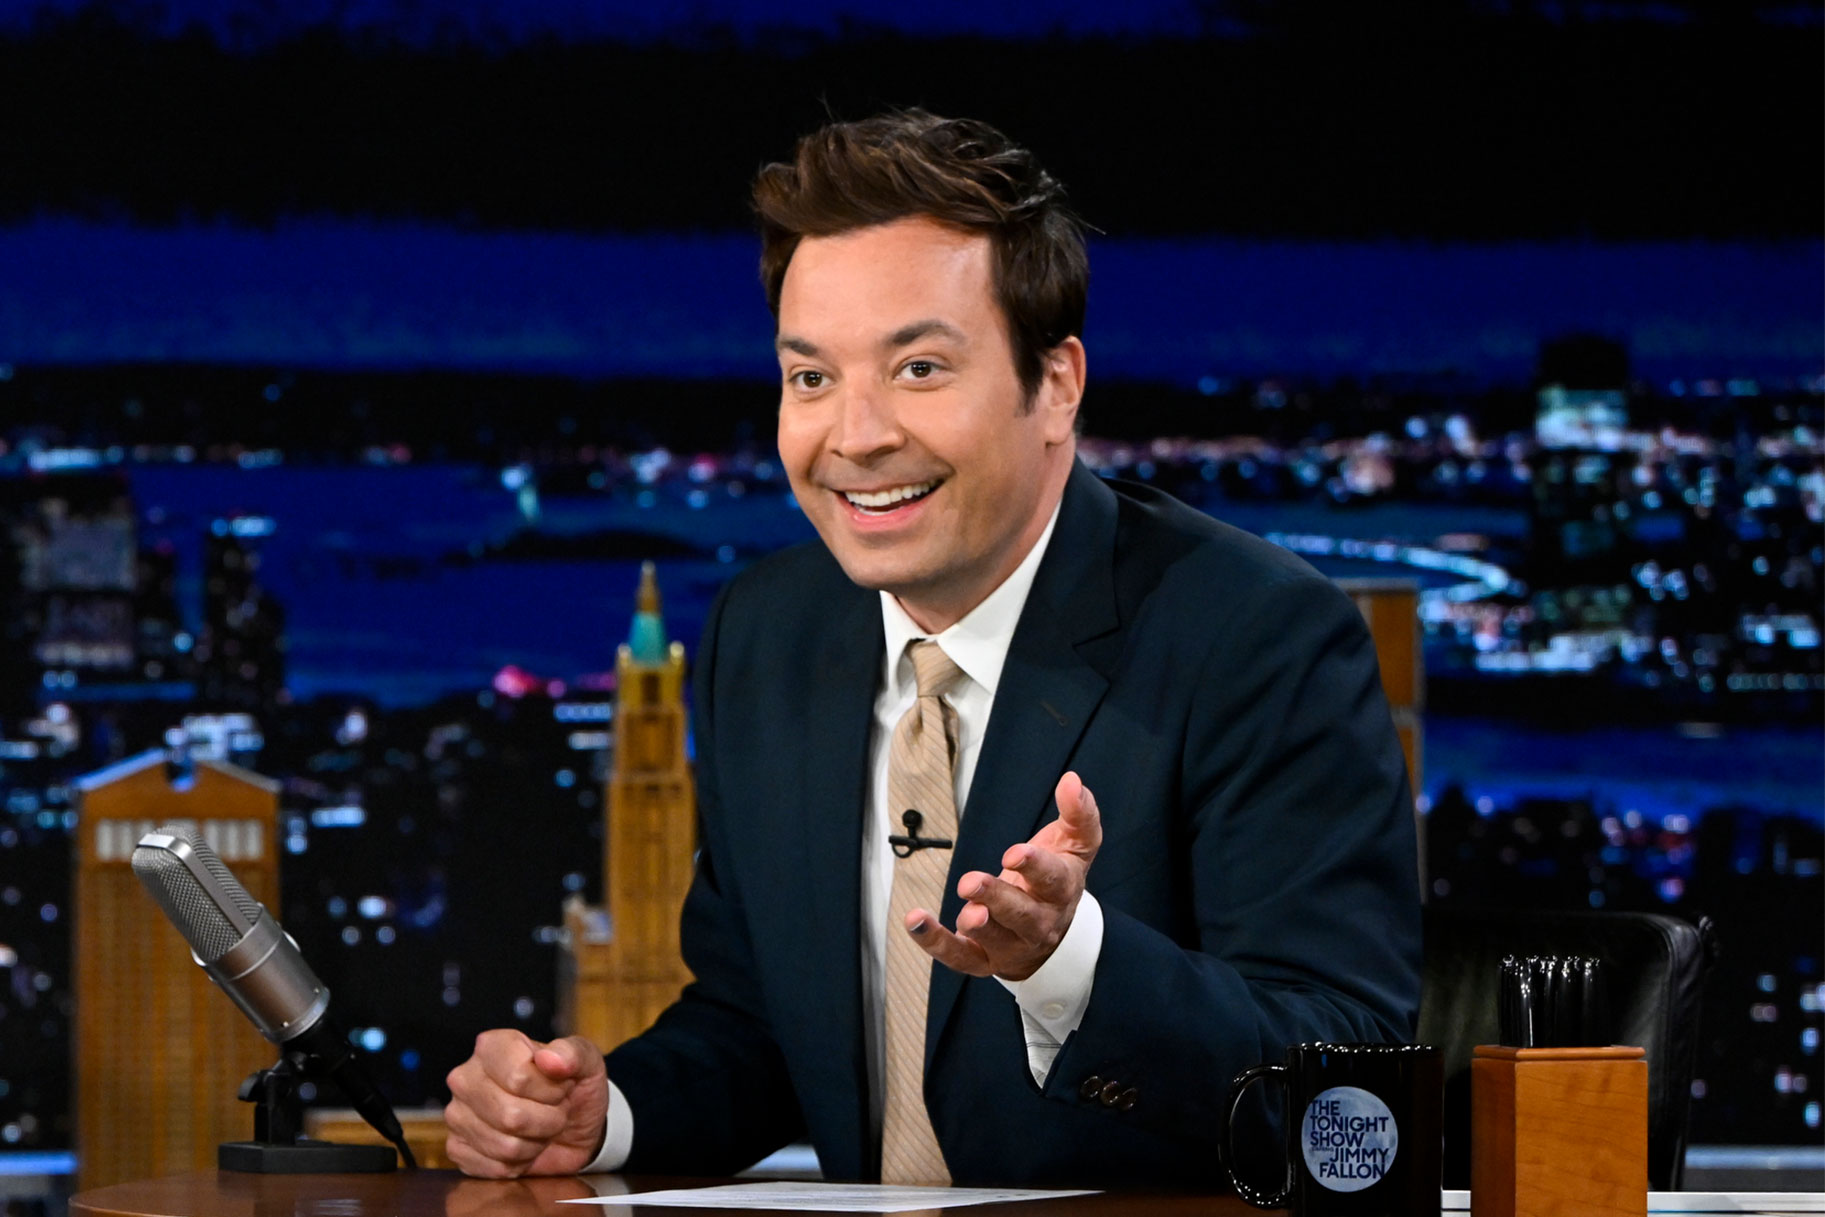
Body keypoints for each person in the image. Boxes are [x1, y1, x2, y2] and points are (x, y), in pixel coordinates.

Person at [443, 109, 1421, 1189]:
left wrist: (1070, 965)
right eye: (811, 377)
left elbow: (1349, 1086)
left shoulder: (1258, 637)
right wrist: (605, 1115)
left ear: (1055, 385)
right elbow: (761, 1024)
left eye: (916, 368)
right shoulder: (765, 635)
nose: (856, 435)